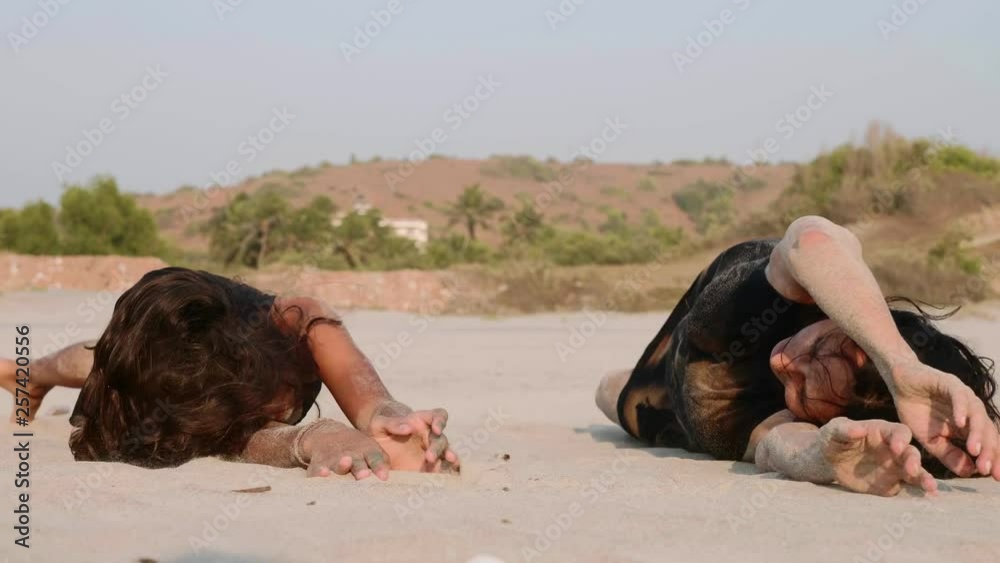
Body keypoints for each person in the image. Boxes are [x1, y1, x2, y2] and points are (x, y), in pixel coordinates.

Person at [595, 215, 1000, 496]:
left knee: (608, 391)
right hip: (723, 320)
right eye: (819, 348)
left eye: (807, 391)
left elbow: (786, 445)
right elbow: (813, 240)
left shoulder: (771, 422)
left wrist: (825, 457)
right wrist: (900, 366)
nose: (785, 363)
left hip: (660, 409)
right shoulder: (755, 314)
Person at [1, 267, 458, 480]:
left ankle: (29, 375)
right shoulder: (195, 404)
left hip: (181, 366)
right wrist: (317, 435)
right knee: (100, 363)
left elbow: (367, 394)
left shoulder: (295, 321)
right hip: (151, 383)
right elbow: (242, 441)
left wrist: (389, 415)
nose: (278, 412)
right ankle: (30, 375)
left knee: (100, 357)